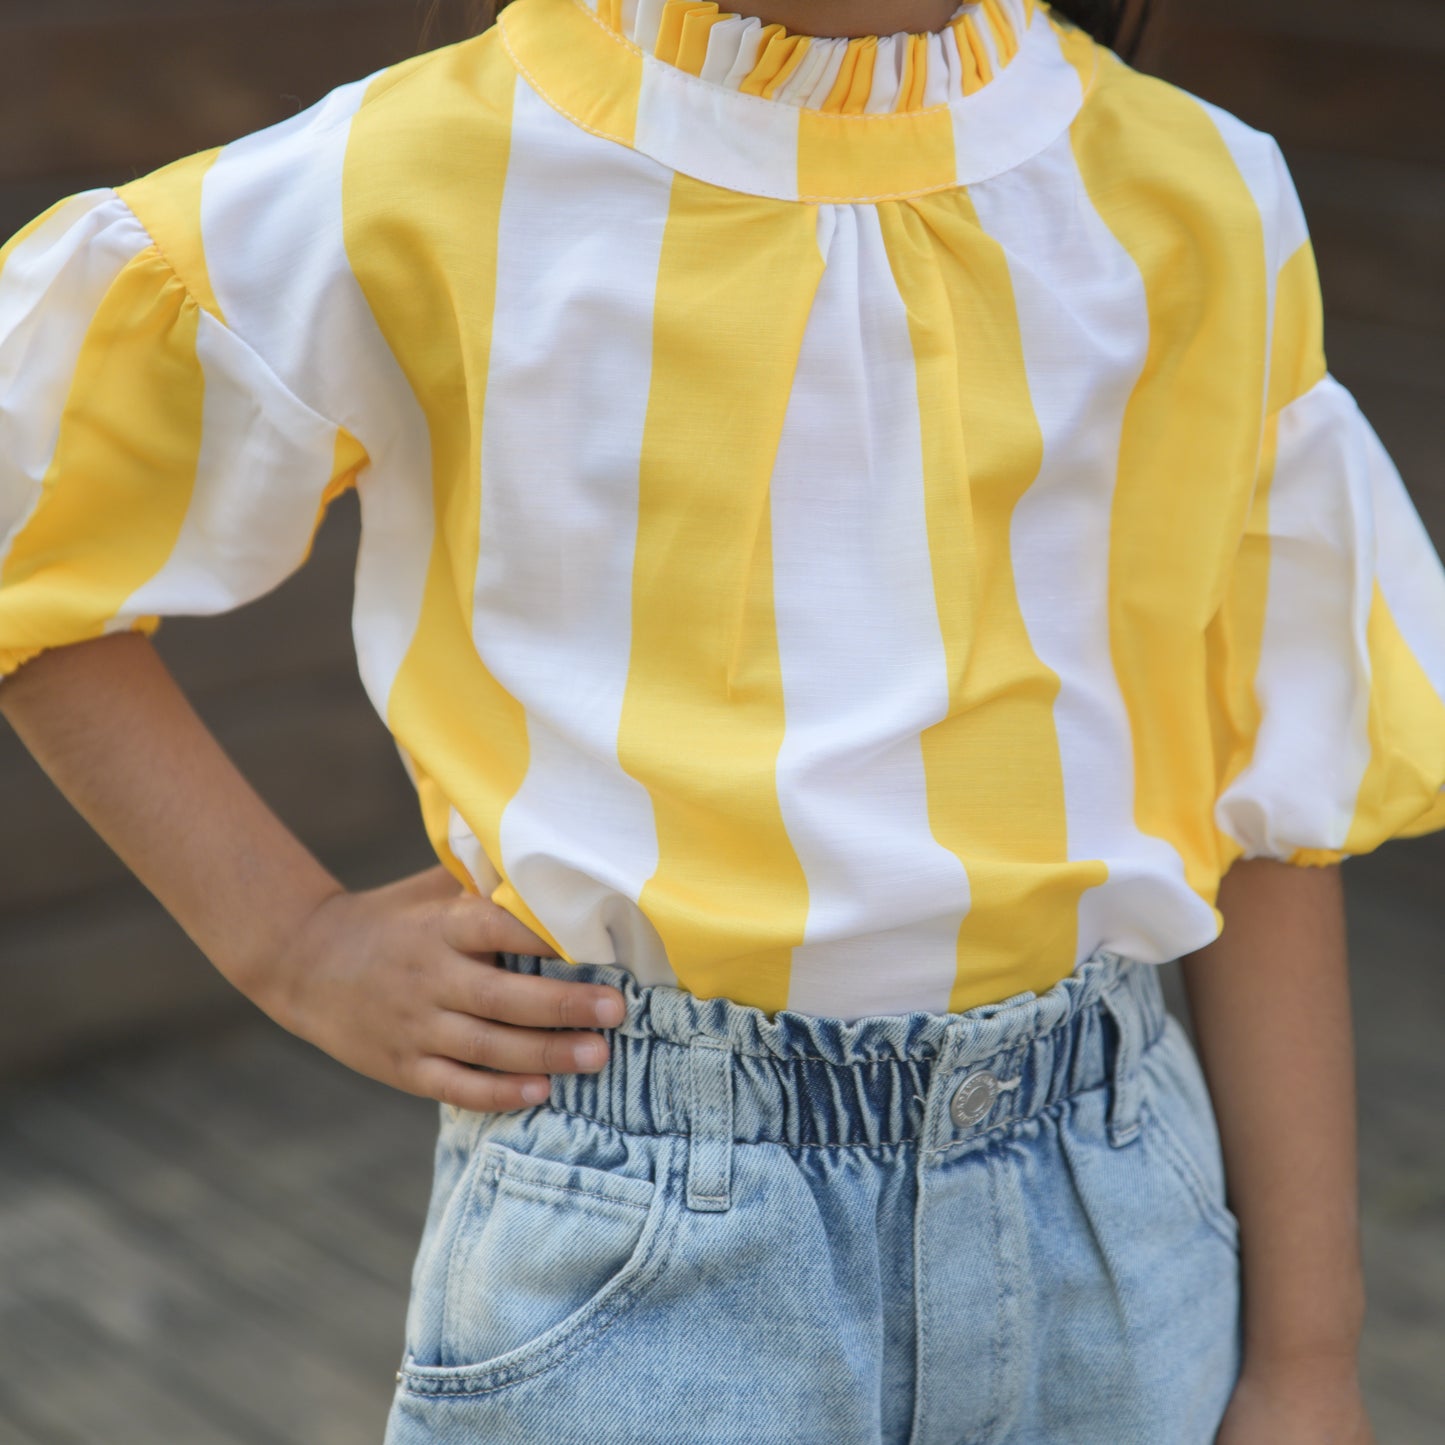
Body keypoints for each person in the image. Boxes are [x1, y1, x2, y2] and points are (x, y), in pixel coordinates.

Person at [0, 0, 1438, 1438]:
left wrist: (1308, 1353)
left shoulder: (1199, 193)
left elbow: (1272, 788)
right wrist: (290, 940)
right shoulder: (413, 176)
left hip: (1124, 1235)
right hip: (642, 1251)